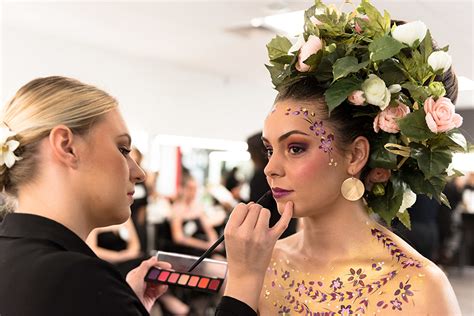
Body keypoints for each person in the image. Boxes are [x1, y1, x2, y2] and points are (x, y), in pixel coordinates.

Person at [215, 1, 465, 315]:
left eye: (295, 148)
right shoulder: (256, 264)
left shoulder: (420, 287)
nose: (270, 168)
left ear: (356, 155)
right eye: (269, 150)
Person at [0, 76, 170, 315]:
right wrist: (241, 289)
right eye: (122, 149)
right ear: (67, 147)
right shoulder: (77, 278)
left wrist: (125, 305)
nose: (139, 173)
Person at [246, 131, 298, 239]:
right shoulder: (263, 175)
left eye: (295, 150)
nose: (269, 171)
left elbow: (257, 207)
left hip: (270, 233)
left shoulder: (259, 176)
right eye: (269, 151)